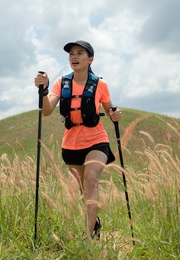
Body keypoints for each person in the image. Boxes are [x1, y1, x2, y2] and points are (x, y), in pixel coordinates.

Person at [34, 40, 123, 239]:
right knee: (84, 189)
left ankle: (88, 237)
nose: (74, 56)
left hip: (97, 140)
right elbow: (47, 111)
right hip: (71, 143)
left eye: (80, 53)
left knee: (91, 179)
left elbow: (109, 109)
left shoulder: (100, 84)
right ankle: (95, 223)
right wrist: (43, 90)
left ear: (90, 59)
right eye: (72, 53)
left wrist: (114, 114)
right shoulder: (61, 83)